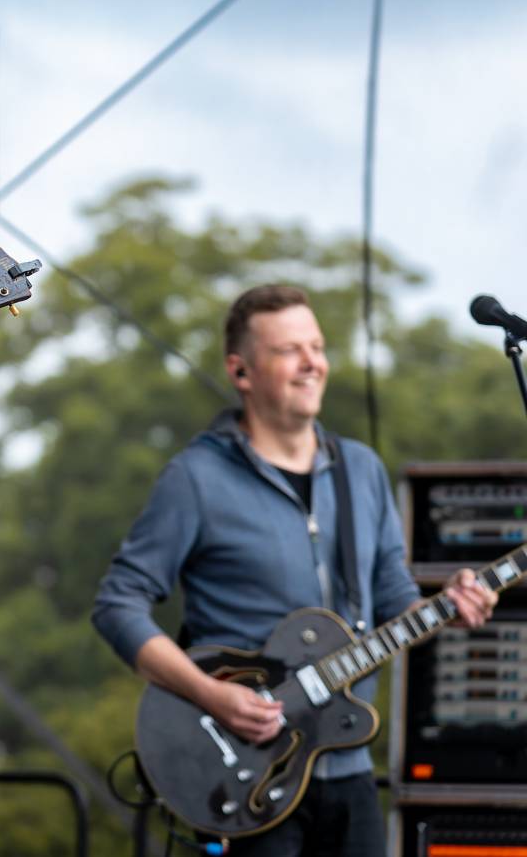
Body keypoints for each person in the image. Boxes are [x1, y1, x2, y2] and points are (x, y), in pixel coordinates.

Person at [92, 284, 496, 855]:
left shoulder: (362, 469)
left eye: (317, 346)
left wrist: (449, 605)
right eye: (289, 351)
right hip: (243, 774)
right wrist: (211, 695)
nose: (313, 363)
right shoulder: (196, 478)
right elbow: (117, 606)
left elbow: (394, 597)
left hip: (347, 765)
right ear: (242, 372)